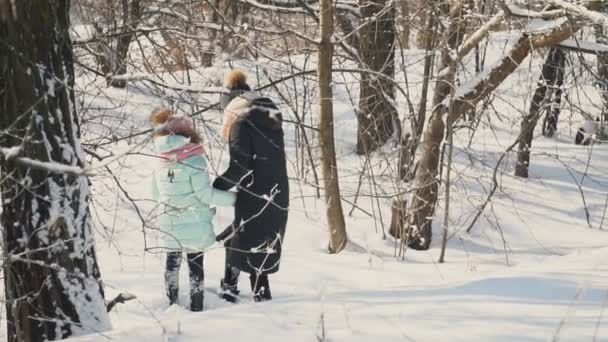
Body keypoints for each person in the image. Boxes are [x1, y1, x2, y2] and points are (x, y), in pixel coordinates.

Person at [213, 69, 289, 302]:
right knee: (260, 244)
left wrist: (216, 186)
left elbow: (240, 167)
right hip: (278, 192)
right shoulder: (271, 118)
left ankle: (229, 289)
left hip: (254, 193)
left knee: (239, 238)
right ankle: (259, 293)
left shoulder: (241, 123)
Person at [151, 108, 236, 311]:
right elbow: (205, 195)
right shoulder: (195, 159)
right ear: (188, 135)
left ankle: (172, 303)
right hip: (194, 218)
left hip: (167, 220)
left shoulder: (159, 160)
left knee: (172, 262)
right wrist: (235, 199)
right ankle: (197, 307)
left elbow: (155, 194)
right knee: (195, 264)